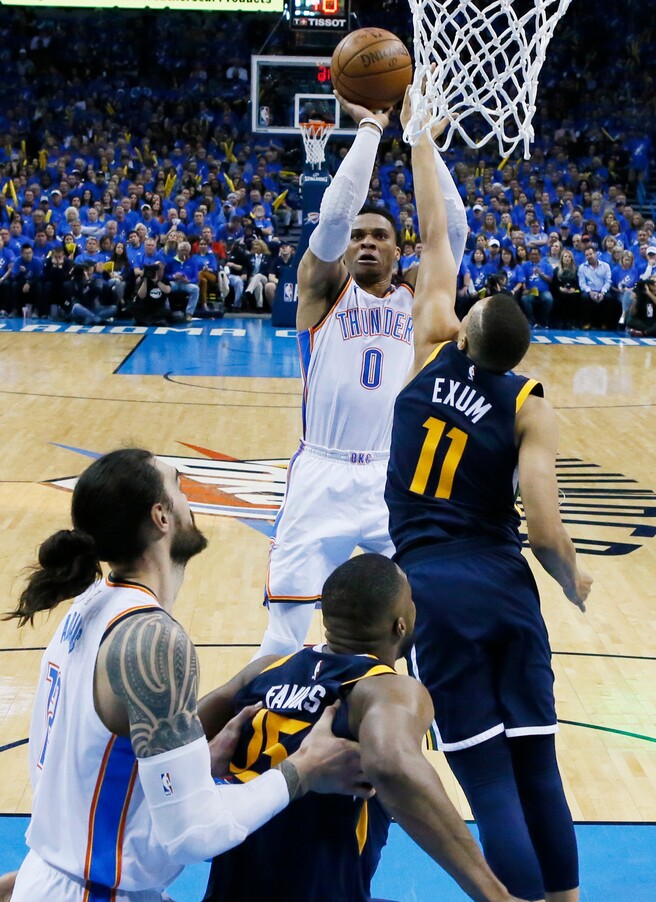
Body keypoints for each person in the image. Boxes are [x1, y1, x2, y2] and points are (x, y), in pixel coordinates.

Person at [384, 97, 592, 901]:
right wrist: (570, 579)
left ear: (465, 327)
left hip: (433, 585)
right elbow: (543, 528)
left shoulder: (428, 343)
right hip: (506, 584)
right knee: (538, 765)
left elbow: (436, 235)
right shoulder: (527, 399)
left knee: (489, 781)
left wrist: (424, 140)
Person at [7, 449, 371, 901]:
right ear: (161, 516)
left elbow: (89, 774)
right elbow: (195, 833)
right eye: (179, 485)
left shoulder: (89, 605)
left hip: (56, 880)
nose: (189, 499)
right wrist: (304, 769)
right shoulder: (153, 639)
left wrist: (195, 764)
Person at [254, 90, 468, 659]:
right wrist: (372, 129)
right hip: (319, 472)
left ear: (400, 253)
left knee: (418, 618)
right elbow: (331, 218)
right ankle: (254, 740)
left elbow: (455, 231)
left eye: (380, 236)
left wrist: (425, 138)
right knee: (283, 632)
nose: (366, 241)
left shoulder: (416, 303)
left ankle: (417, 722)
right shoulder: (322, 291)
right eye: (359, 236)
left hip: (389, 476)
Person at [202, 555, 523, 902]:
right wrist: (496, 895)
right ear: (401, 624)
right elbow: (391, 765)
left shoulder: (263, 671)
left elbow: (166, 741)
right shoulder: (382, 689)